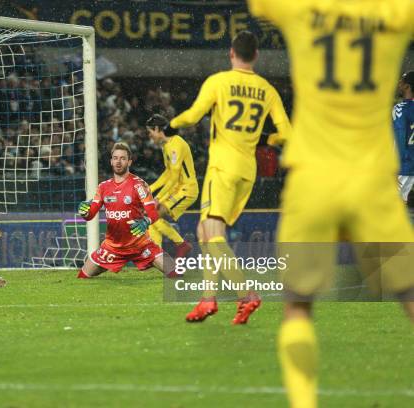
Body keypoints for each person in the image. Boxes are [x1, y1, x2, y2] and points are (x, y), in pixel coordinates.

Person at [248, 1, 414, 407]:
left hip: (314, 178)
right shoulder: (395, 13)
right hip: (373, 178)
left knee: (298, 306)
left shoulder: (303, 9)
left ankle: (304, 403)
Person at [166, 31, 291, 324]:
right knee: (204, 232)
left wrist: (171, 126)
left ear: (231, 53)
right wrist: (268, 139)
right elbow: (287, 134)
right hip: (248, 171)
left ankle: (246, 293)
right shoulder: (267, 88)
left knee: (213, 235)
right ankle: (208, 299)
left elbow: (193, 115)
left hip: (222, 168)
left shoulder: (219, 82)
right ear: (256, 56)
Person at [76, 142, 177, 279]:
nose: (118, 162)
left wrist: (145, 222)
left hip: (141, 246)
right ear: (111, 161)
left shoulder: (139, 185)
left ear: (129, 162)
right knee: (82, 277)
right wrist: (84, 211)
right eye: (115, 158)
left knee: (176, 273)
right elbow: (90, 215)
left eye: (123, 158)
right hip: (112, 248)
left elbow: (153, 213)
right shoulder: (103, 187)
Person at [145, 114, 198, 259]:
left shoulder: (175, 145)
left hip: (187, 190)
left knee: (154, 215)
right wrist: (151, 187)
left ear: (157, 129)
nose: (150, 137)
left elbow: (174, 177)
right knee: (151, 217)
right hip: (176, 189)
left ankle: (181, 244)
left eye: (150, 133)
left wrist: (158, 197)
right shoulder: (166, 146)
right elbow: (168, 173)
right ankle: (157, 257)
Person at [393, 71, 414, 204]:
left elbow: (399, 137)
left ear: (407, 87)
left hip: (402, 165)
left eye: (401, 81)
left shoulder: (400, 108)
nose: (398, 84)